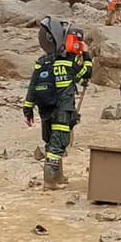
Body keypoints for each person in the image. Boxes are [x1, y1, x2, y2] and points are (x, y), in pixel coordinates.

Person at [23, 16, 81, 190]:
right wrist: (84, 53)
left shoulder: (41, 63)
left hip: (45, 107)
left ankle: (58, 176)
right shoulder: (69, 62)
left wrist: (27, 109)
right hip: (63, 108)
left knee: (50, 142)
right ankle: (49, 182)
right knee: (58, 144)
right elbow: (86, 73)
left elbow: (33, 86)